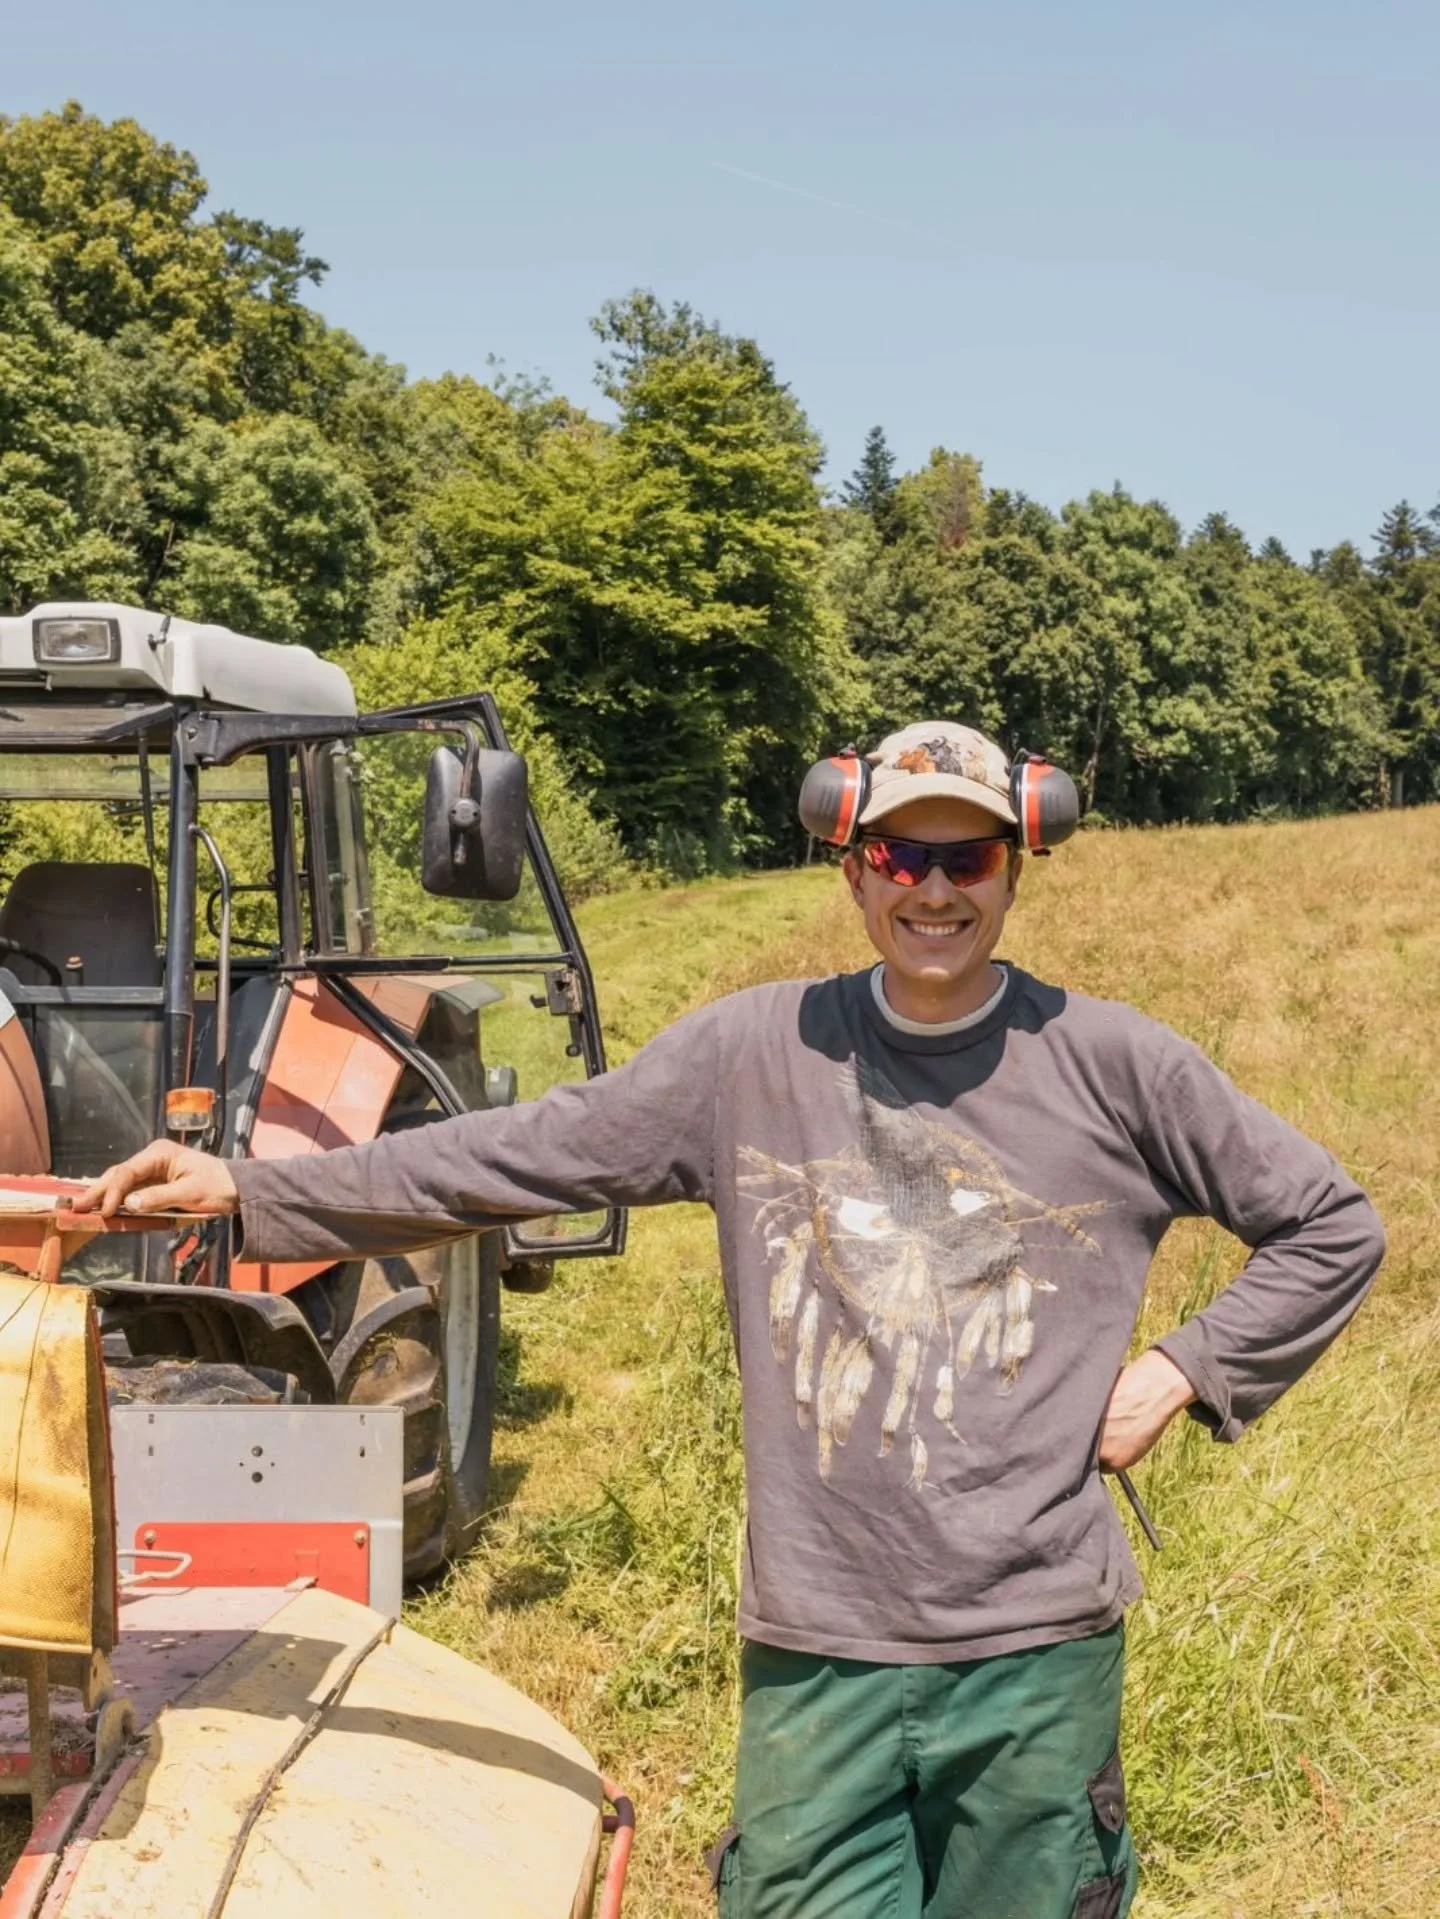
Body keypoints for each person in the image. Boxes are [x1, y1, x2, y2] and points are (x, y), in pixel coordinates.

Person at [79, 719, 1385, 1919]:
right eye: (899, 854)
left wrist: (1184, 1368)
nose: (933, 889)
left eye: (965, 856)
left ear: (1014, 862)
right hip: (819, 1656)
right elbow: (512, 1155)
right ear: (853, 866)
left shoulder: (1114, 1064)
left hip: (1034, 1656)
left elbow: (1332, 1222)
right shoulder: (755, 1056)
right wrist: (251, 1190)